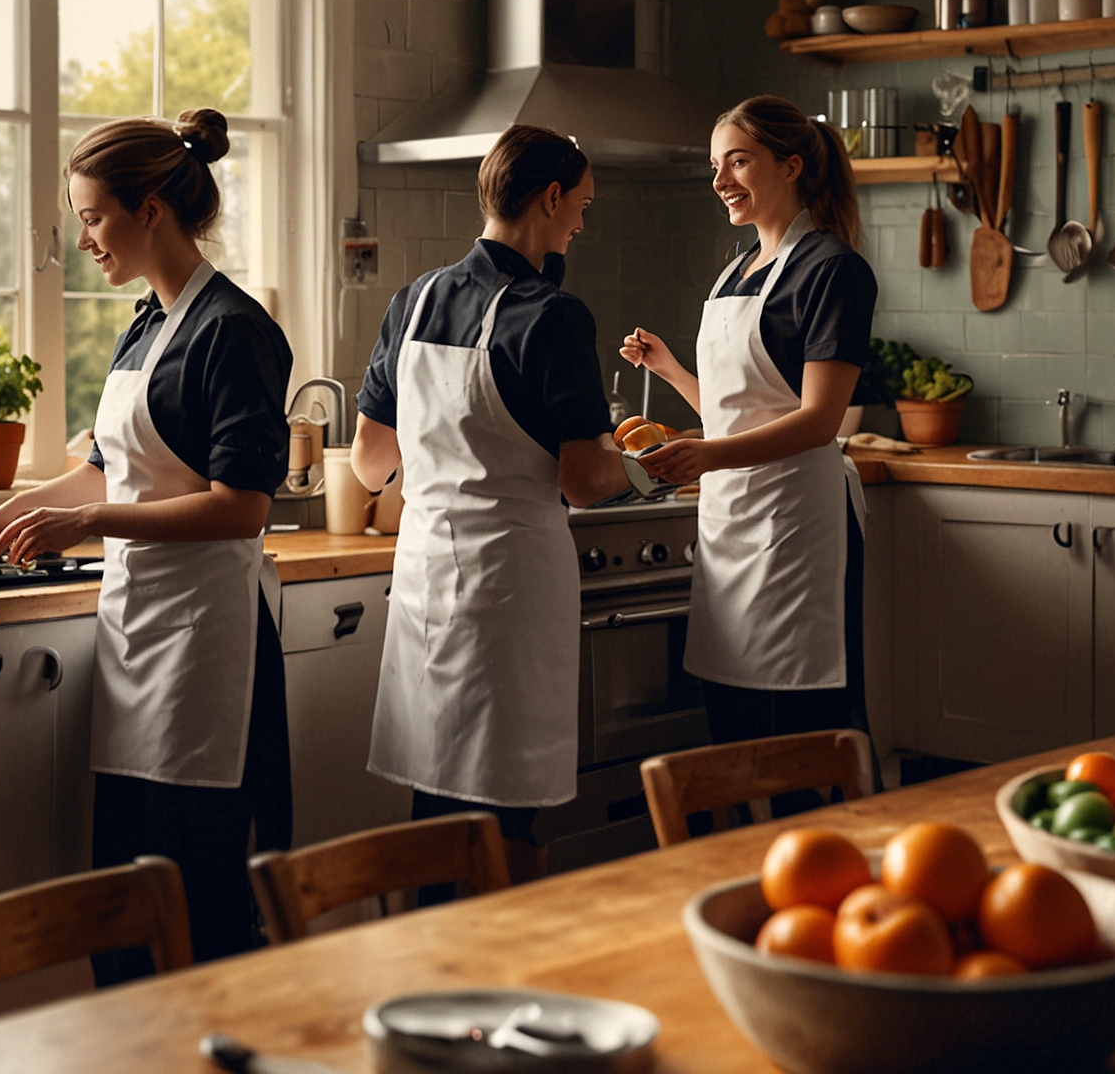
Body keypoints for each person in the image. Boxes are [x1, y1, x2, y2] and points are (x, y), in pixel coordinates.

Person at [0, 107, 292, 969]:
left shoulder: (236, 333)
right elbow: (108, 467)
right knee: (131, 902)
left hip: (211, 656)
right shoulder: (146, 324)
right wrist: (15, 511)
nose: (85, 240)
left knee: (202, 907)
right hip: (141, 643)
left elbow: (241, 507)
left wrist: (88, 522)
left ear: (149, 211)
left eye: (94, 218)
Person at [351, 124, 629, 884]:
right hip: (508, 591)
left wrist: (441, 460)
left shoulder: (412, 300)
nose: (580, 221)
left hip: (424, 583)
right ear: (549, 197)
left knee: (435, 796)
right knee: (506, 811)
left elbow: (369, 463)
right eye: (582, 205)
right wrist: (641, 467)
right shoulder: (553, 315)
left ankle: (431, 981)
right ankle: (498, 971)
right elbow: (583, 479)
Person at [621, 96, 878, 797]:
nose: (720, 180)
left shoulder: (832, 270)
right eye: (715, 165)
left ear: (792, 166)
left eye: (738, 161)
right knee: (732, 720)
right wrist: (670, 370)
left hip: (797, 529)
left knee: (798, 730)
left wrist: (706, 456)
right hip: (733, 525)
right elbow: (740, 414)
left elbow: (822, 420)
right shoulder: (734, 269)